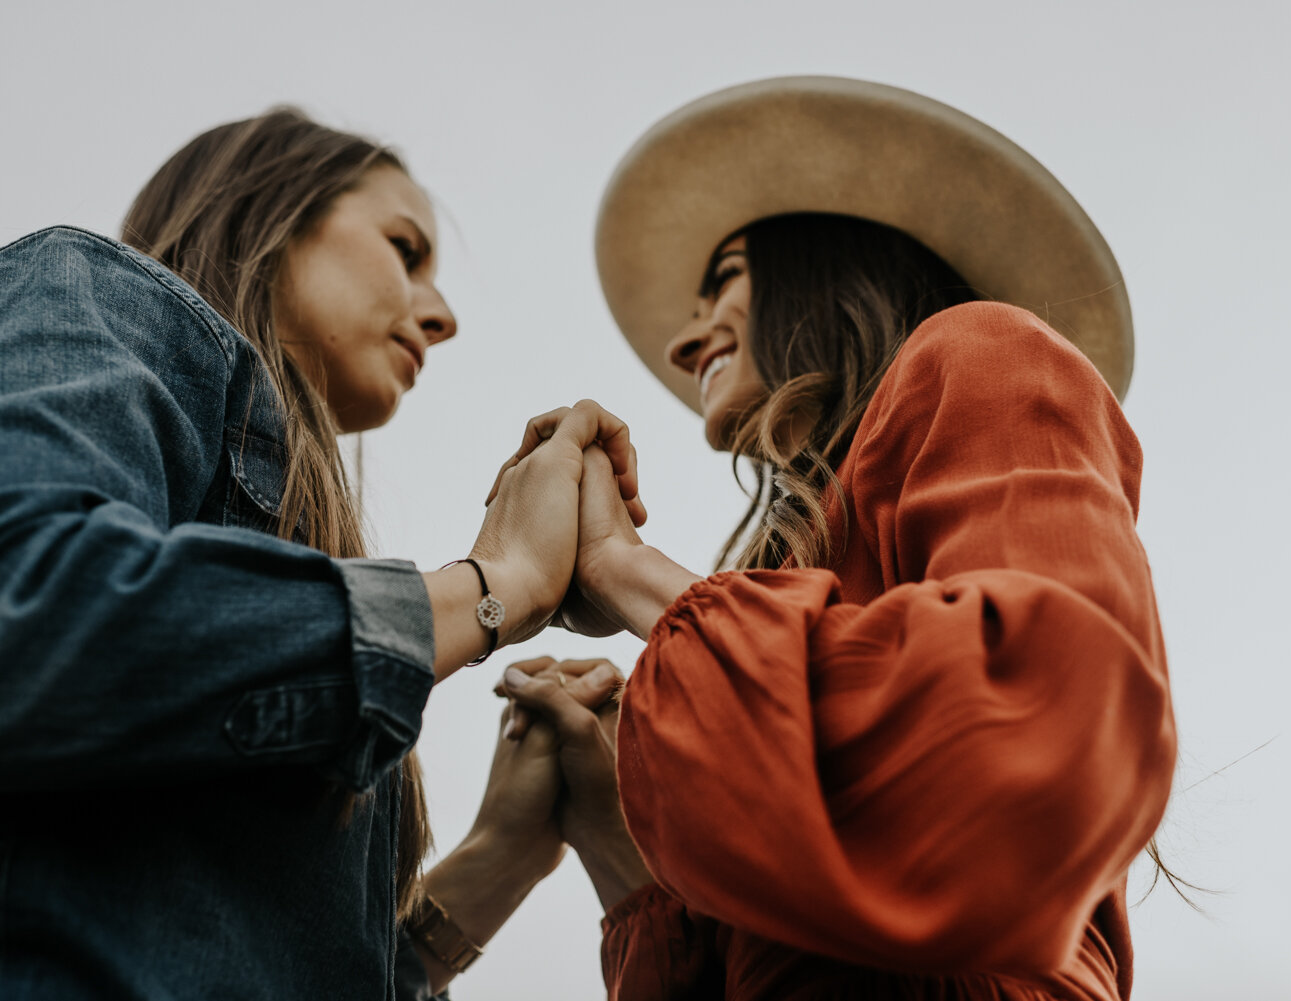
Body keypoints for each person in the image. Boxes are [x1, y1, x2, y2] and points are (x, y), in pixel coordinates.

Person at [0, 107, 641, 1000]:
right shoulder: (81, 288)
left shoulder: (282, 555)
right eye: (405, 248)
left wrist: (497, 858)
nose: (440, 316)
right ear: (275, 209)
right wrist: (492, 585)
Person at [499, 77, 1176, 1000]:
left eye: (724, 278)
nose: (684, 342)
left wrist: (629, 574)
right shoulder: (794, 567)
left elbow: (1043, 703)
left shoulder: (981, 351)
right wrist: (617, 829)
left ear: (826, 263)